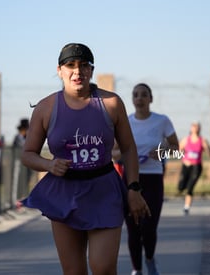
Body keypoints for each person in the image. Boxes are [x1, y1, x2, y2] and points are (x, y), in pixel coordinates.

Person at [20, 43, 150, 275]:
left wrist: (134, 188)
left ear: (91, 70)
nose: (77, 71)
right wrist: (49, 164)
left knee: (103, 268)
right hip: (64, 193)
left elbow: (129, 149)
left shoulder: (111, 103)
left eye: (83, 66)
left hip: (103, 190)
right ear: (60, 70)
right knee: (73, 271)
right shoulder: (46, 107)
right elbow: (27, 154)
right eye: (70, 66)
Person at [126, 83, 179, 275]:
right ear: (132, 99)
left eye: (143, 95)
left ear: (151, 98)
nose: (139, 98)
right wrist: (126, 157)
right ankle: (136, 269)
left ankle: (149, 259)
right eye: (135, 95)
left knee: (149, 227)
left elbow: (175, 147)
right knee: (133, 228)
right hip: (131, 179)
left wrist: (160, 152)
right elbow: (113, 150)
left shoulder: (162, 121)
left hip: (153, 179)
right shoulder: (126, 121)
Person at [177, 121, 210, 215]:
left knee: (190, 187)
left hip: (196, 166)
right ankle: (183, 190)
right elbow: (178, 151)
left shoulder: (202, 140)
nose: (195, 128)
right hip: (186, 165)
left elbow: (209, 154)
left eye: (197, 126)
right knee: (180, 187)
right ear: (191, 128)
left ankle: (186, 207)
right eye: (193, 126)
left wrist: (207, 148)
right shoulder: (185, 140)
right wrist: (183, 159)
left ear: (199, 129)